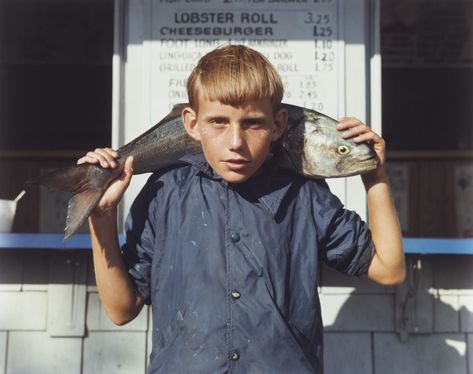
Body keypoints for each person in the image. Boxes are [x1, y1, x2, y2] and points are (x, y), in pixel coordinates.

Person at [78, 44, 405, 373]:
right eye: (218, 122)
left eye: (252, 124)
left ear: (278, 125)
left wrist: (374, 175)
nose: (236, 141)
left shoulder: (304, 194)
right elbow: (121, 310)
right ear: (192, 124)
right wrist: (101, 218)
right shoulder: (165, 192)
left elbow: (389, 268)